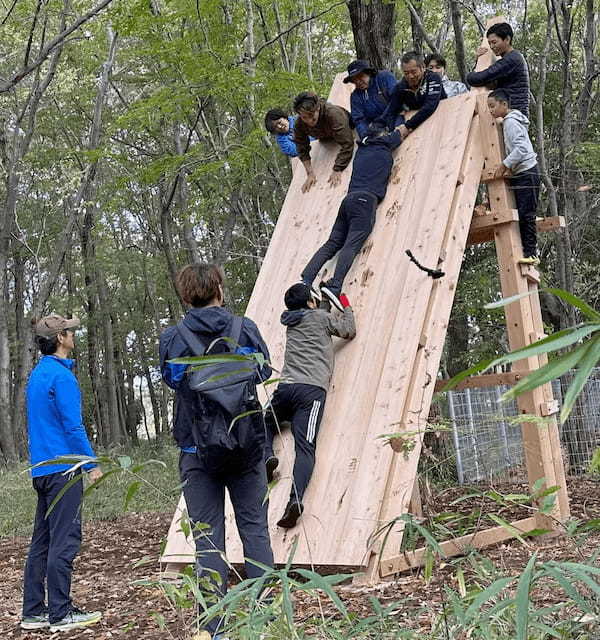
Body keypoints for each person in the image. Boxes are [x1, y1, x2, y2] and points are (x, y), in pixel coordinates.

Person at [159, 263, 273, 640]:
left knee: (208, 541)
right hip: (247, 449)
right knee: (255, 532)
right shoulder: (245, 329)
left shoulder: (173, 338)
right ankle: (266, 622)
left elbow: (173, 380)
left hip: (196, 450)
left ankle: (214, 630)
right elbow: (263, 372)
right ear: (219, 289)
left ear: (185, 295)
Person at [22, 315, 102, 633]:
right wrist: (91, 463)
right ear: (60, 338)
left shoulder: (37, 375)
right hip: (64, 469)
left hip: (41, 469)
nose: (73, 334)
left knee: (41, 540)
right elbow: (73, 426)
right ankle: (60, 612)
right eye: (70, 331)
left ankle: (33, 612)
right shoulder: (62, 377)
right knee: (65, 538)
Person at [264, 283, 355, 528]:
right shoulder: (322, 318)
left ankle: (266, 457)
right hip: (311, 392)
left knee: (263, 422)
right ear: (310, 302)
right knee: (305, 448)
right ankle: (295, 500)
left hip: (286, 389)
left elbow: (313, 315)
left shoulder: (291, 322)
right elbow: (348, 330)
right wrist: (344, 304)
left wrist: (321, 302)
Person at [301, 122, 401, 309]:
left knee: (332, 244)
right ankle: (335, 284)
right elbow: (403, 130)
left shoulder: (361, 149)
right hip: (366, 201)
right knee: (351, 245)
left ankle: (306, 280)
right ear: (382, 136)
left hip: (349, 200)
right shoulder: (385, 144)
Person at [488, 89, 540, 264]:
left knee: (527, 214)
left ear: (504, 104)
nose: (491, 111)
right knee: (523, 213)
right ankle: (529, 252)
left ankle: (532, 254)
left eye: (492, 106)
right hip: (521, 172)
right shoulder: (509, 122)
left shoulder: (511, 123)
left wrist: (504, 165)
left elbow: (522, 149)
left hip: (527, 173)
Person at [292, 91, 355, 193]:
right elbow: (301, 148)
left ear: (318, 108)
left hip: (348, 130)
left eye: (311, 115)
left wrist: (338, 168)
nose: (309, 120)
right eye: (304, 117)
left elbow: (347, 143)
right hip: (326, 139)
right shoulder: (299, 124)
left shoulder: (333, 114)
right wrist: (310, 173)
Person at [376, 51, 446, 140]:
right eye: (406, 73)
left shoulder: (433, 78)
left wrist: (407, 126)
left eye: (413, 71)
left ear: (423, 67)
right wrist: (380, 129)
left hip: (441, 121)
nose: (410, 76)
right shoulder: (401, 87)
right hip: (419, 128)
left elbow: (430, 106)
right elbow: (391, 110)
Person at [466, 22, 530, 118]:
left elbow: (476, 79)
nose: (491, 47)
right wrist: (478, 61)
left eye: (494, 42)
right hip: (513, 115)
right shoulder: (510, 59)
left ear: (507, 39)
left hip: (515, 117)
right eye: (489, 43)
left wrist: (471, 75)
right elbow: (490, 81)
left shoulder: (511, 59)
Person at [344, 59, 397, 139]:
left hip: (396, 117)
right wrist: (366, 137)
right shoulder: (355, 96)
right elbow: (359, 120)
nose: (358, 82)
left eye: (360, 76)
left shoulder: (385, 77)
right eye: (354, 79)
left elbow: (396, 100)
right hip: (376, 128)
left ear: (368, 72)